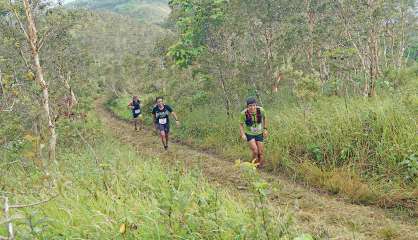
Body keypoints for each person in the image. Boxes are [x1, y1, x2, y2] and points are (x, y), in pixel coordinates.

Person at [239, 97, 268, 168]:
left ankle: (259, 166)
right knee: (255, 151)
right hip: (250, 134)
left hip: (259, 133)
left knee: (260, 152)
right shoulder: (243, 114)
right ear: (247, 106)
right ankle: (251, 165)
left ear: (256, 105)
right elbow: (241, 124)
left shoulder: (261, 110)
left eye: (254, 105)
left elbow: (265, 118)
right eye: (250, 106)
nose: (252, 107)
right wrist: (243, 134)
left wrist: (265, 129)